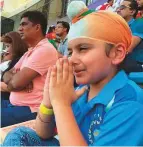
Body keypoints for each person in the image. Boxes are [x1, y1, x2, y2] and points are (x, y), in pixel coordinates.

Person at [3, 3, 143, 147]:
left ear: (117, 53)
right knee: (20, 135)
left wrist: (61, 104)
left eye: (82, 48)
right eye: (70, 52)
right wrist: (48, 101)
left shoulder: (130, 104)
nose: (72, 59)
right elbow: (43, 133)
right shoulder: (81, 90)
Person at [1, 11, 58, 127]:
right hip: (14, 105)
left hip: (30, 110)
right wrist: (16, 79)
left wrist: (15, 82)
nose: (19, 28)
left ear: (37, 27)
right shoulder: (30, 52)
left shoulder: (45, 50)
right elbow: (6, 74)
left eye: (24, 24)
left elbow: (16, 84)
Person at [1, 31, 28, 101]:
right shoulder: (11, 61)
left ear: (16, 46)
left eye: (7, 46)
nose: (6, 50)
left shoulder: (19, 61)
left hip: (8, 101)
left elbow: (15, 85)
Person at [117, 0, 143, 73]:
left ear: (132, 11)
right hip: (124, 65)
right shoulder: (119, 27)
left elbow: (128, 49)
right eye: (118, 7)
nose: (118, 10)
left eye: (122, 7)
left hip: (137, 68)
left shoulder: (139, 23)